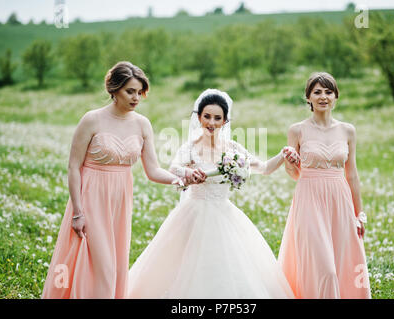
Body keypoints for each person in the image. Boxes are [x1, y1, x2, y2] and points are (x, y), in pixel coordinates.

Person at [41, 61, 201, 299]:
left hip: (120, 201)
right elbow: (73, 166)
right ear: (113, 89)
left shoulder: (142, 124)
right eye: (130, 91)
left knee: (115, 266)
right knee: (99, 266)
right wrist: (77, 211)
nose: (136, 97)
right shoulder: (91, 120)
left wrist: (182, 179)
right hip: (91, 198)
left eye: (139, 92)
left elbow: (154, 170)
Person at [127, 89, 294, 298]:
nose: (211, 122)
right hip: (194, 212)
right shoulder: (191, 148)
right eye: (207, 116)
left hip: (224, 212)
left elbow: (264, 168)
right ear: (199, 118)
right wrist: (188, 172)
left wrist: (283, 154)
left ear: (225, 121)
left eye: (217, 118)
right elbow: (173, 168)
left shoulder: (233, 149)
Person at [278, 72, 371, 299]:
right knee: (325, 270)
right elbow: (294, 174)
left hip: (340, 201)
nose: (323, 97)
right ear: (308, 97)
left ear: (336, 96)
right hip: (309, 199)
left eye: (328, 92)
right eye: (317, 92)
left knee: (342, 263)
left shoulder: (348, 130)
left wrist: (359, 213)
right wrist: (291, 164)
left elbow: (353, 175)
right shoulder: (297, 130)